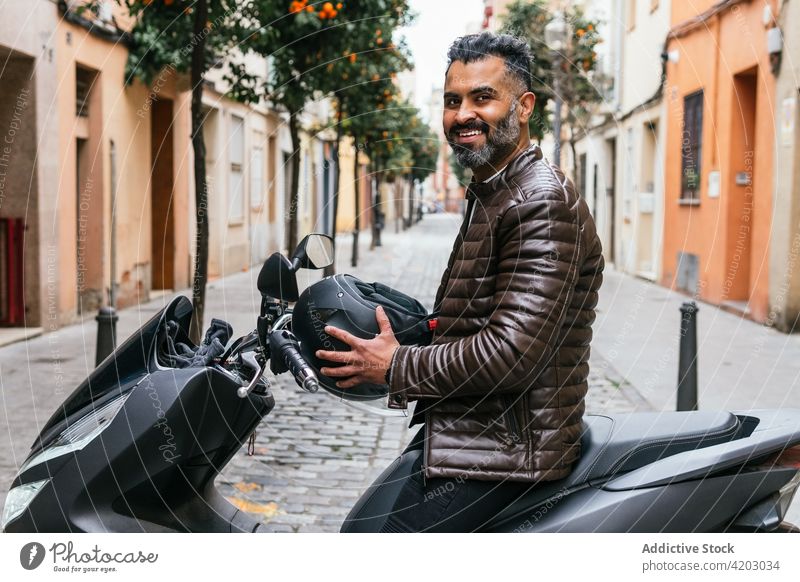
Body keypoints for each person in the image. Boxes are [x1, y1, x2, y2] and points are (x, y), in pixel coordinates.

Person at [316, 31, 604, 532]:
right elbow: (476, 317)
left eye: (483, 97)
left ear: (525, 105)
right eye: (453, 100)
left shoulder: (539, 200)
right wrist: (410, 327)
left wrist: (395, 365)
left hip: (507, 455)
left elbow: (511, 352)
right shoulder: (494, 189)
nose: (462, 114)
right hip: (472, 434)